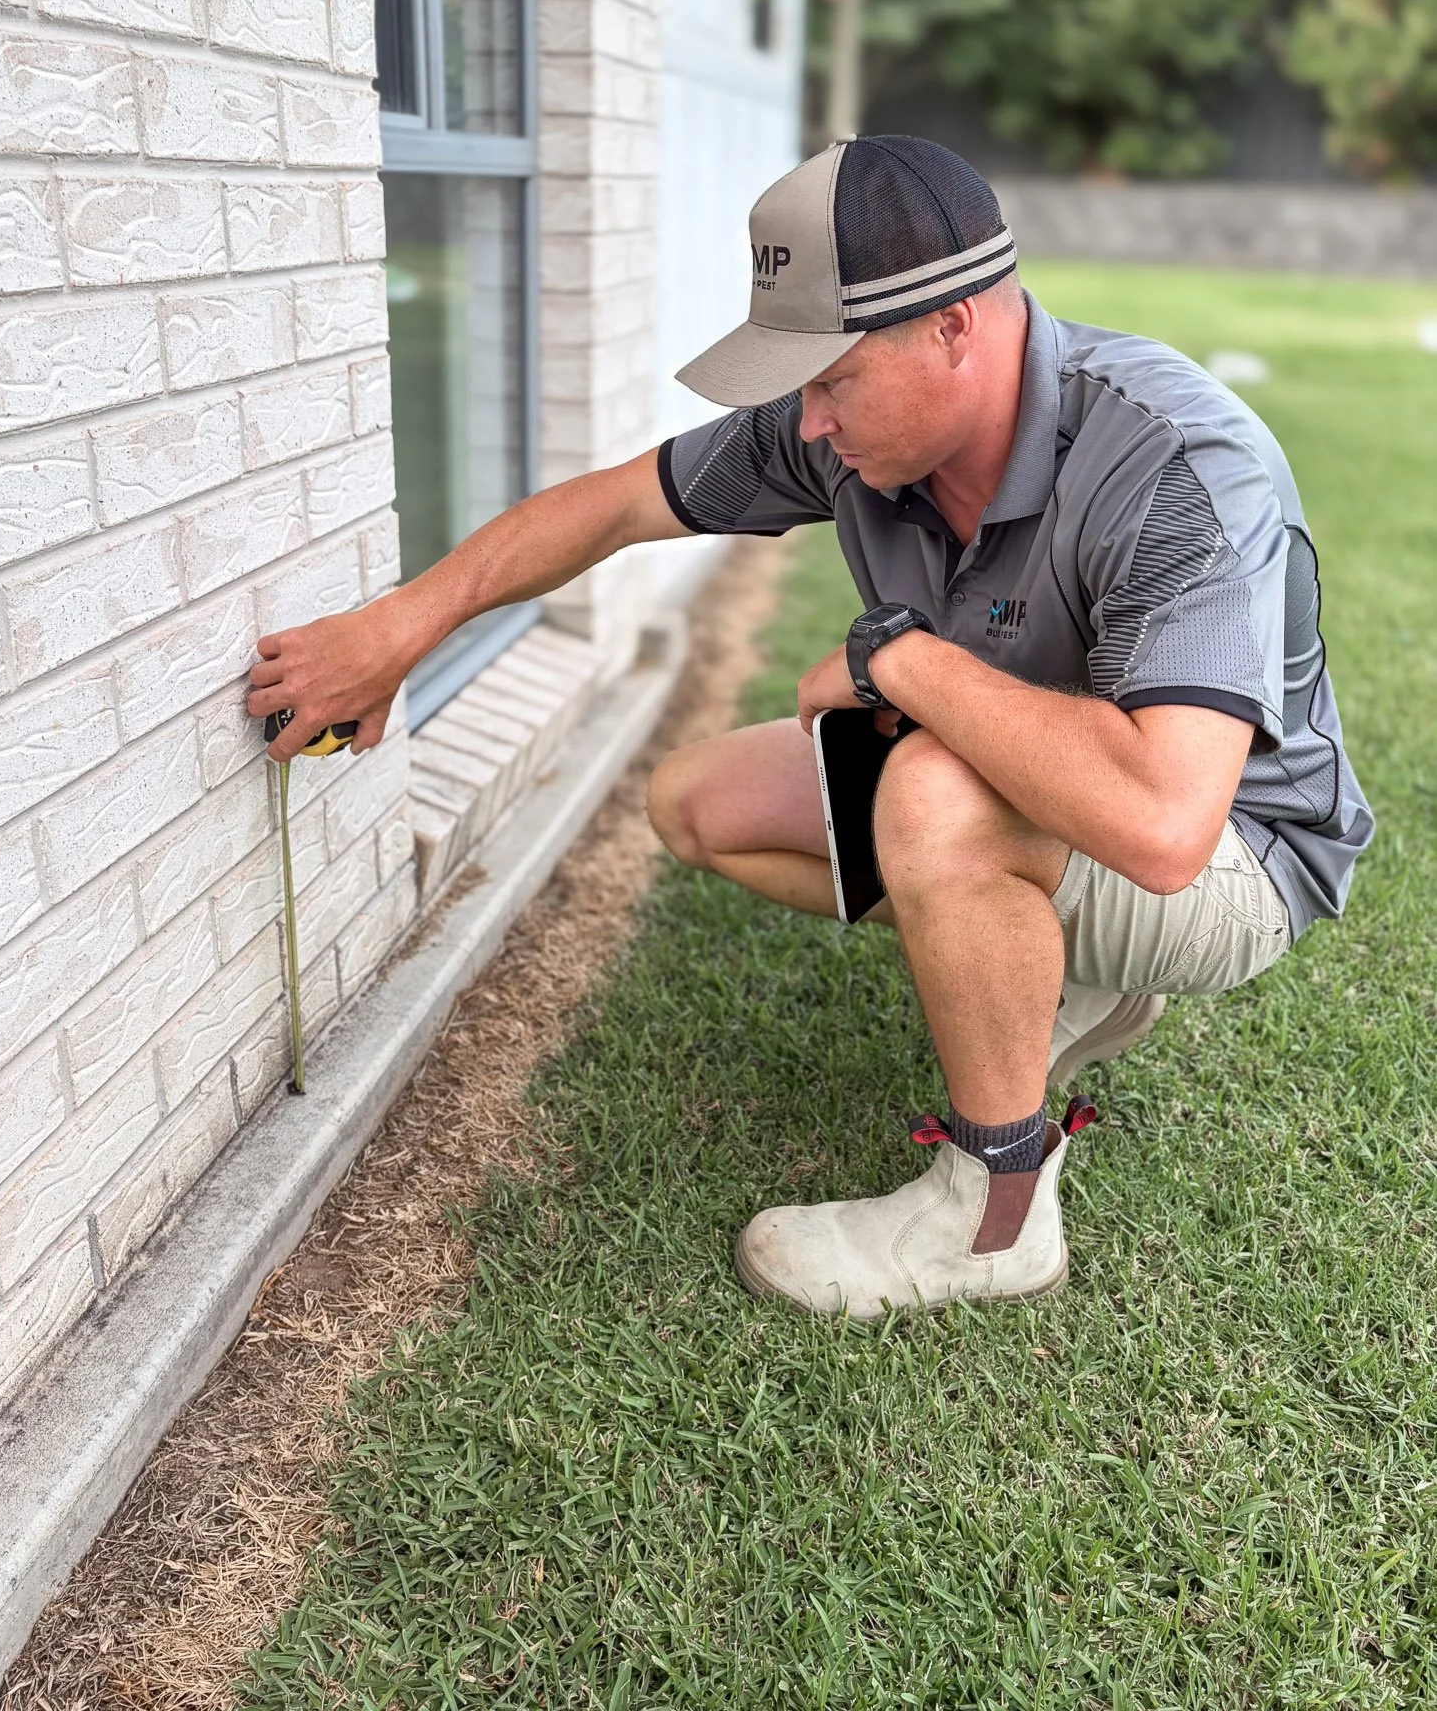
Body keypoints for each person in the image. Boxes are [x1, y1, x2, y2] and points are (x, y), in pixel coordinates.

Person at [248, 136, 1373, 1319]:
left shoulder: (1175, 464)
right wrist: (397, 630)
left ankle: (997, 1211)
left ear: (957, 326)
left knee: (931, 791)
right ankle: (1049, 971)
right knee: (702, 802)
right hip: (1040, 794)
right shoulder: (845, 431)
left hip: (1239, 854)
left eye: (833, 377)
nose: (810, 421)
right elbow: (621, 501)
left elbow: (1162, 827)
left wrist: (902, 661)